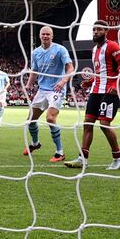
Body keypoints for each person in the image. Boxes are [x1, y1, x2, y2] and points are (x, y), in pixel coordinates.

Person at [65, 21, 120, 171]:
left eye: (99, 29)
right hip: (96, 91)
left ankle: (118, 159)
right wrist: (90, 81)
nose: (95, 32)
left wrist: (115, 85)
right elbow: (101, 72)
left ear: (106, 31)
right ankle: (82, 159)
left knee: (104, 124)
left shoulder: (112, 46)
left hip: (109, 92)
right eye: (94, 29)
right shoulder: (94, 50)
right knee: (88, 123)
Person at [23, 26, 74, 163]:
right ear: (40, 36)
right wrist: (28, 84)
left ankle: (59, 152)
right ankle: (35, 144)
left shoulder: (60, 50)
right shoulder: (36, 52)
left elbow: (70, 67)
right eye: (43, 34)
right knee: (30, 120)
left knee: (50, 119)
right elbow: (34, 71)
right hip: (42, 90)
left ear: (52, 36)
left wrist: (63, 81)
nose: (45, 36)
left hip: (56, 89)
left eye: (48, 34)